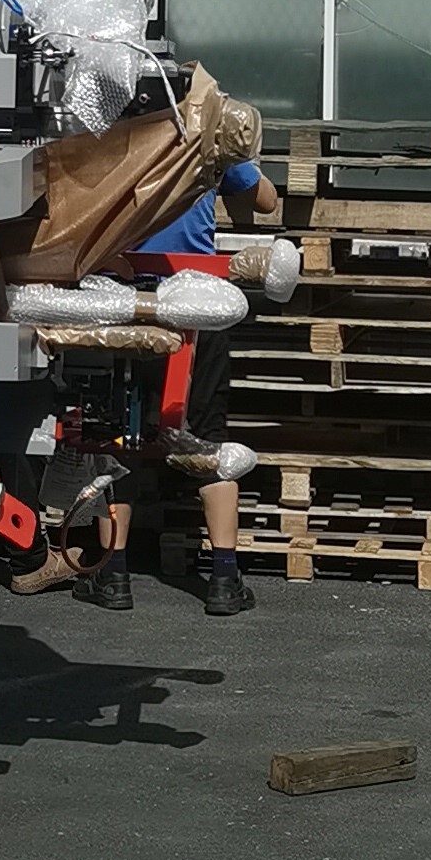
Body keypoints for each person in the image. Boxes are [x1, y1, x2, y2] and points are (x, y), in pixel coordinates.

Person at [79, 155, 284, 620]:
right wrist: (236, 169)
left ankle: (113, 574)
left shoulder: (116, 144)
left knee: (119, 436)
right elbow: (267, 201)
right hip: (198, 301)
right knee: (209, 436)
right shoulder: (211, 142)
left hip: (128, 302)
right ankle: (224, 579)